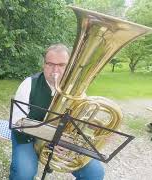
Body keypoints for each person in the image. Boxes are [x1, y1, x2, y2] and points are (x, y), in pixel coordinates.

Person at [9, 44, 104, 180]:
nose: (55, 70)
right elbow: (17, 123)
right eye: (50, 64)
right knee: (23, 174)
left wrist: (97, 127)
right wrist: (51, 138)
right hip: (28, 138)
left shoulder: (76, 89)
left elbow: (83, 117)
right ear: (44, 64)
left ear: (69, 66)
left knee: (95, 172)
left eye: (61, 65)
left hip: (63, 140)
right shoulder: (29, 84)